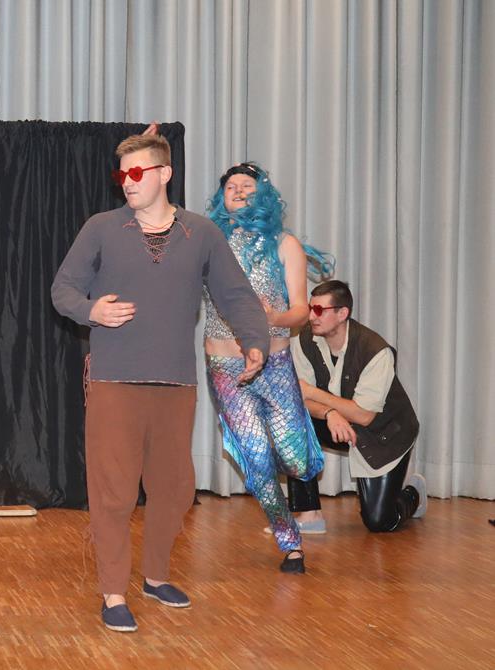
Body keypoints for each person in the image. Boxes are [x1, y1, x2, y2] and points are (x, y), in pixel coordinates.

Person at [50, 132, 268, 633]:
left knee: (174, 491)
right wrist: (91, 310)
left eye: (137, 172)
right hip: (114, 380)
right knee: (114, 491)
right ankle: (113, 592)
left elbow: (235, 295)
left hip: (175, 382)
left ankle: (155, 576)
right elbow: (63, 289)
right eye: (121, 174)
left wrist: (254, 340)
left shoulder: (201, 233)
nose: (127, 182)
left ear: (165, 174)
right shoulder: (102, 228)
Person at [202, 163, 331, 573]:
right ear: (221, 197)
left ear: (264, 195)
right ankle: (290, 543)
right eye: (231, 186)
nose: (239, 191)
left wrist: (270, 317)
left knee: (297, 461)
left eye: (248, 185)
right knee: (256, 459)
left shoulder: (283, 244)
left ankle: (302, 451)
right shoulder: (209, 243)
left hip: (274, 365)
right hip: (227, 367)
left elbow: (301, 311)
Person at [288, 280, 426, 532]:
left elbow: (363, 416)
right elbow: (300, 398)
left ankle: (413, 494)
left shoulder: (376, 351)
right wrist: (329, 413)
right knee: (292, 423)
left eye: (319, 310)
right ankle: (310, 516)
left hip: (384, 434)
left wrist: (315, 393)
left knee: (379, 522)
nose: (311, 316)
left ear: (342, 313)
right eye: (310, 309)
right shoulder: (304, 339)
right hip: (341, 423)